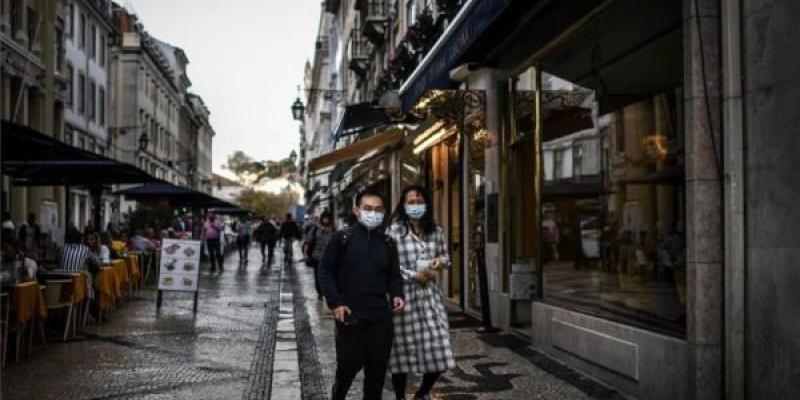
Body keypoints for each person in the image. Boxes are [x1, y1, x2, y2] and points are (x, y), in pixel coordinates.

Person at [318, 189, 405, 400]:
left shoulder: (388, 243)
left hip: (380, 319)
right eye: (368, 209)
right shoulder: (342, 239)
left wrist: (397, 294)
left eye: (377, 209)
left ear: (383, 212)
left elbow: (394, 275)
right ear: (357, 211)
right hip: (350, 317)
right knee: (347, 370)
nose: (373, 213)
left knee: (376, 375)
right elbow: (325, 271)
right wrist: (336, 303)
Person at [387, 186, 455, 400]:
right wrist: (411, 275)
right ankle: (400, 397)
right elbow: (386, 265)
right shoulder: (394, 231)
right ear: (403, 205)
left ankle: (421, 393)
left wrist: (439, 262)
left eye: (419, 201)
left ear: (425, 204)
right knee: (401, 354)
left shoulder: (436, 230)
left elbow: (446, 256)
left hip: (430, 298)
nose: (415, 205)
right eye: (411, 202)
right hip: (403, 299)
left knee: (440, 349)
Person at [304, 211, 335, 300]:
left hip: (330, 258)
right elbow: (308, 242)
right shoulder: (315, 229)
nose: (326, 220)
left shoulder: (333, 230)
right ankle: (320, 293)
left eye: (327, 218)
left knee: (329, 276)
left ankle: (327, 292)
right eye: (324, 218)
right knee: (318, 276)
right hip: (317, 257)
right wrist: (306, 254)